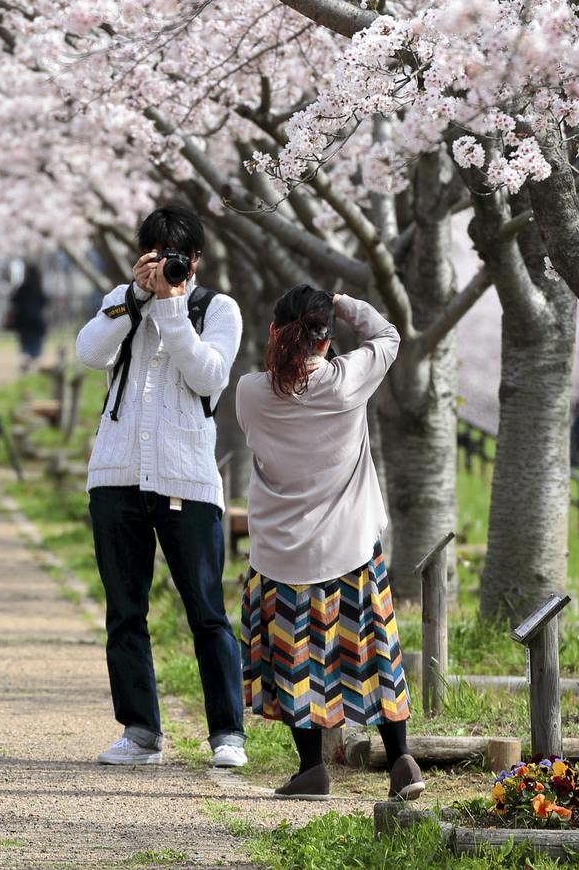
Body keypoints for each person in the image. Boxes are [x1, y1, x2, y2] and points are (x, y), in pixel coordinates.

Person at [76, 205, 247, 770]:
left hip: (188, 480)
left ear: (195, 259)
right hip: (117, 476)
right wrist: (134, 298)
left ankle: (227, 733)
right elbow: (89, 353)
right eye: (155, 255)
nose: (167, 265)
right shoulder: (122, 301)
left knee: (206, 612)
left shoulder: (216, 308)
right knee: (125, 610)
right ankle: (140, 730)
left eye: (177, 256)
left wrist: (172, 309)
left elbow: (209, 376)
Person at [236, 284, 423, 801]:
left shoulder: (251, 392)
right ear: (325, 340)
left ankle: (311, 768)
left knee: (297, 657)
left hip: (282, 553)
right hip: (351, 546)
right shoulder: (346, 383)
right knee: (373, 651)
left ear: (274, 333)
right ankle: (401, 759)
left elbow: (260, 431)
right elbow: (387, 335)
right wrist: (342, 303)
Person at [8, 265, 49, 373]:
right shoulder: (39, 289)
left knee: (25, 345)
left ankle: (26, 363)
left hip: (23, 323)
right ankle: (33, 367)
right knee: (36, 347)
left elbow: (14, 301)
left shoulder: (22, 289)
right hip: (37, 323)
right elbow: (45, 302)